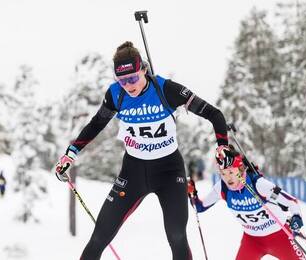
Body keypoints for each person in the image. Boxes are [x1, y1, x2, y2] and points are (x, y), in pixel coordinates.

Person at [54, 41, 230, 260]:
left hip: (169, 171)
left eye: (133, 78)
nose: (129, 85)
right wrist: (71, 153)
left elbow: (214, 114)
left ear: (144, 69)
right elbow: (96, 124)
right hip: (133, 172)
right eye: (122, 80)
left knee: (176, 235)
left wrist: (223, 145)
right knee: (100, 235)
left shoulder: (166, 90)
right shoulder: (116, 94)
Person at [187, 145, 305, 260]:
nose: (228, 178)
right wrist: (192, 194)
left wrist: (296, 217)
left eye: (231, 172)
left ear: (240, 169)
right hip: (252, 241)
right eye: (223, 174)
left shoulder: (259, 185)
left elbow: (291, 201)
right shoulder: (222, 188)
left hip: (279, 236)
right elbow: (200, 207)